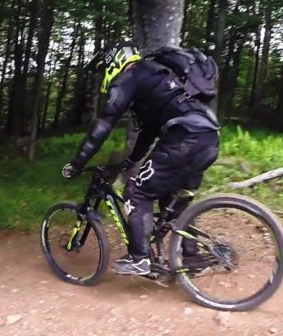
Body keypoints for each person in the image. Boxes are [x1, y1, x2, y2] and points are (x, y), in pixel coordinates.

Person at [63, 45, 223, 276]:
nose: (104, 75)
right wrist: (130, 162)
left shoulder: (130, 75)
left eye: (104, 69)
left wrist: (77, 162)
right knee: (175, 201)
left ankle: (140, 258)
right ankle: (193, 259)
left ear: (115, 63)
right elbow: (148, 132)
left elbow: (105, 123)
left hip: (184, 139)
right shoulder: (156, 78)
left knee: (137, 191)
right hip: (208, 138)